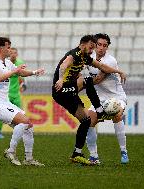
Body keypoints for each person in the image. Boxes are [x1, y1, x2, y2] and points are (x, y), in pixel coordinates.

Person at [52, 34, 127, 165]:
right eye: (92, 47)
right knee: (88, 81)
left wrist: (119, 71)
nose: (93, 50)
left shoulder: (85, 57)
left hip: (71, 91)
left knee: (86, 121)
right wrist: (61, 79)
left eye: (94, 47)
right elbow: (64, 65)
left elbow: (102, 67)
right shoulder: (74, 54)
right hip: (62, 90)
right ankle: (99, 110)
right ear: (83, 44)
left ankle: (77, 153)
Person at [0, 37, 45, 166]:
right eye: (8, 47)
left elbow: (20, 72)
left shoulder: (7, 63)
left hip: (5, 103)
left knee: (28, 125)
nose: (10, 50)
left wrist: (34, 72)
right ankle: (10, 151)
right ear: (1, 49)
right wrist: (14, 71)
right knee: (24, 122)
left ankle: (28, 159)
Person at [84, 33, 129, 164]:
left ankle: (123, 151)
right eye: (99, 45)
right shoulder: (89, 57)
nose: (102, 48)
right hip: (100, 98)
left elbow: (97, 80)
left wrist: (82, 84)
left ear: (107, 47)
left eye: (105, 46)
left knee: (117, 115)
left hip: (116, 96)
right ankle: (93, 156)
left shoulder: (110, 61)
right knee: (88, 121)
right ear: (95, 45)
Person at [0, 47, 26, 139]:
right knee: (3, 115)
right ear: (9, 54)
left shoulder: (20, 63)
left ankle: (21, 132)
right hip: (6, 94)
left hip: (16, 94)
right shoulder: (5, 64)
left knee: (20, 114)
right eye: (11, 53)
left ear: (17, 54)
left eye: (15, 53)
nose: (13, 54)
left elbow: (22, 77)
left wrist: (22, 85)